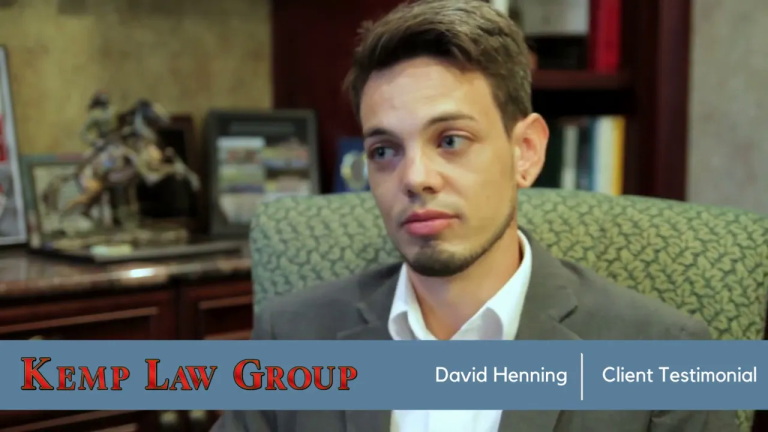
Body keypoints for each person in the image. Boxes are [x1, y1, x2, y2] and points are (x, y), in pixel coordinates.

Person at [212, 0, 738, 431]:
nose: (415, 177)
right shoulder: (292, 336)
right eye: (384, 150)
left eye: (451, 140)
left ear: (526, 152)